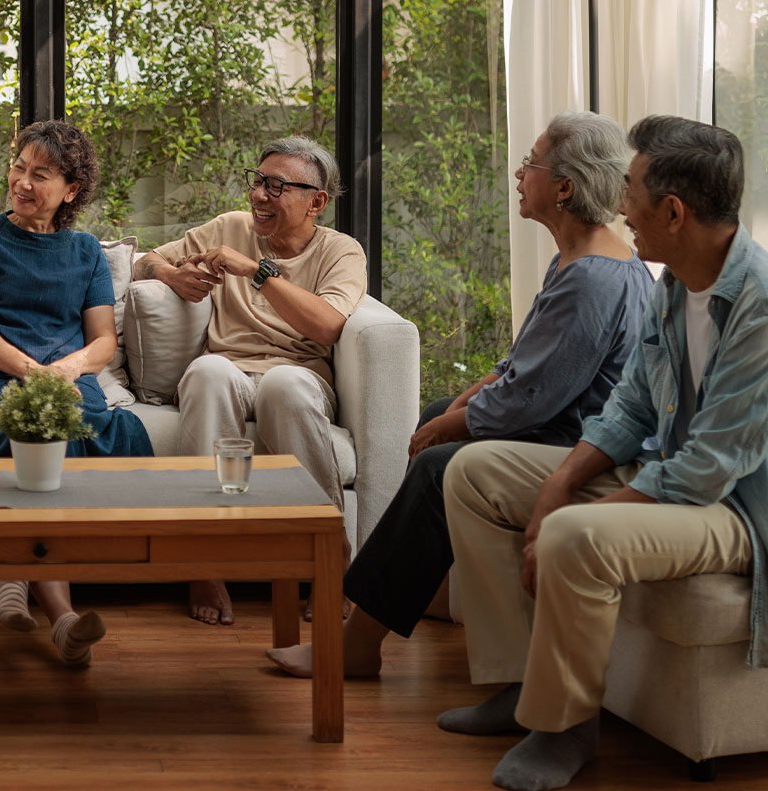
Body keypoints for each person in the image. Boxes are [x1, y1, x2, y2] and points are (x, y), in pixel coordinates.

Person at [437, 116, 768, 791]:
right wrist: (555, 486)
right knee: (473, 473)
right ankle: (516, 684)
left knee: (576, 535)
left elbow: (713, 466)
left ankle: (563, 728)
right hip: (674, 478)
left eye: (630, 190)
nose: (620, 206)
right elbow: (629, 408)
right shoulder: (674, 283)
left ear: (673, 211)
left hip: (751, 509)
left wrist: (567, 518)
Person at [266, 111, 652, 675]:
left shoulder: (595, 276)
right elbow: (523, 363)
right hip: (558, 422)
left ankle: (358, 642)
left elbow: (536, 396)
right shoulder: (577, 256)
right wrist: (460, 404)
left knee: (439, 463)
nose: (519, 175)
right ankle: (431, 595)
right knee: (434, 414)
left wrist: (460, 423)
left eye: (531, 164)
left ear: (564, 188)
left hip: (581, 443)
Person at [132, 136, 366, 626]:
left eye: (277, 186)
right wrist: (172, 275)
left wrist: (257, 272)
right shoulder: (229, 227)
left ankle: (331, 552)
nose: (260, 195)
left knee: (286, 384)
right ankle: (204, 557)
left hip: (299, 372)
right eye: (258, 181)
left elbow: (327, 326)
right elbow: (144, 257)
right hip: (231, 368)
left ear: (316, 202)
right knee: (206, 372)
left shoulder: (341, 251)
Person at [0, 120, 152, 666]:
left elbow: (103, 341)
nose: (22, 181)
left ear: (71, 190)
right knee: (43, 439)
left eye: (40, 174)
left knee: (66, 431)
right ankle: (61, 617)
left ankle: (15, 579)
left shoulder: (86, 252)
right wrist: (31, 372)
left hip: (67, 386)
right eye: (19, 167)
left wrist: (66, 370)